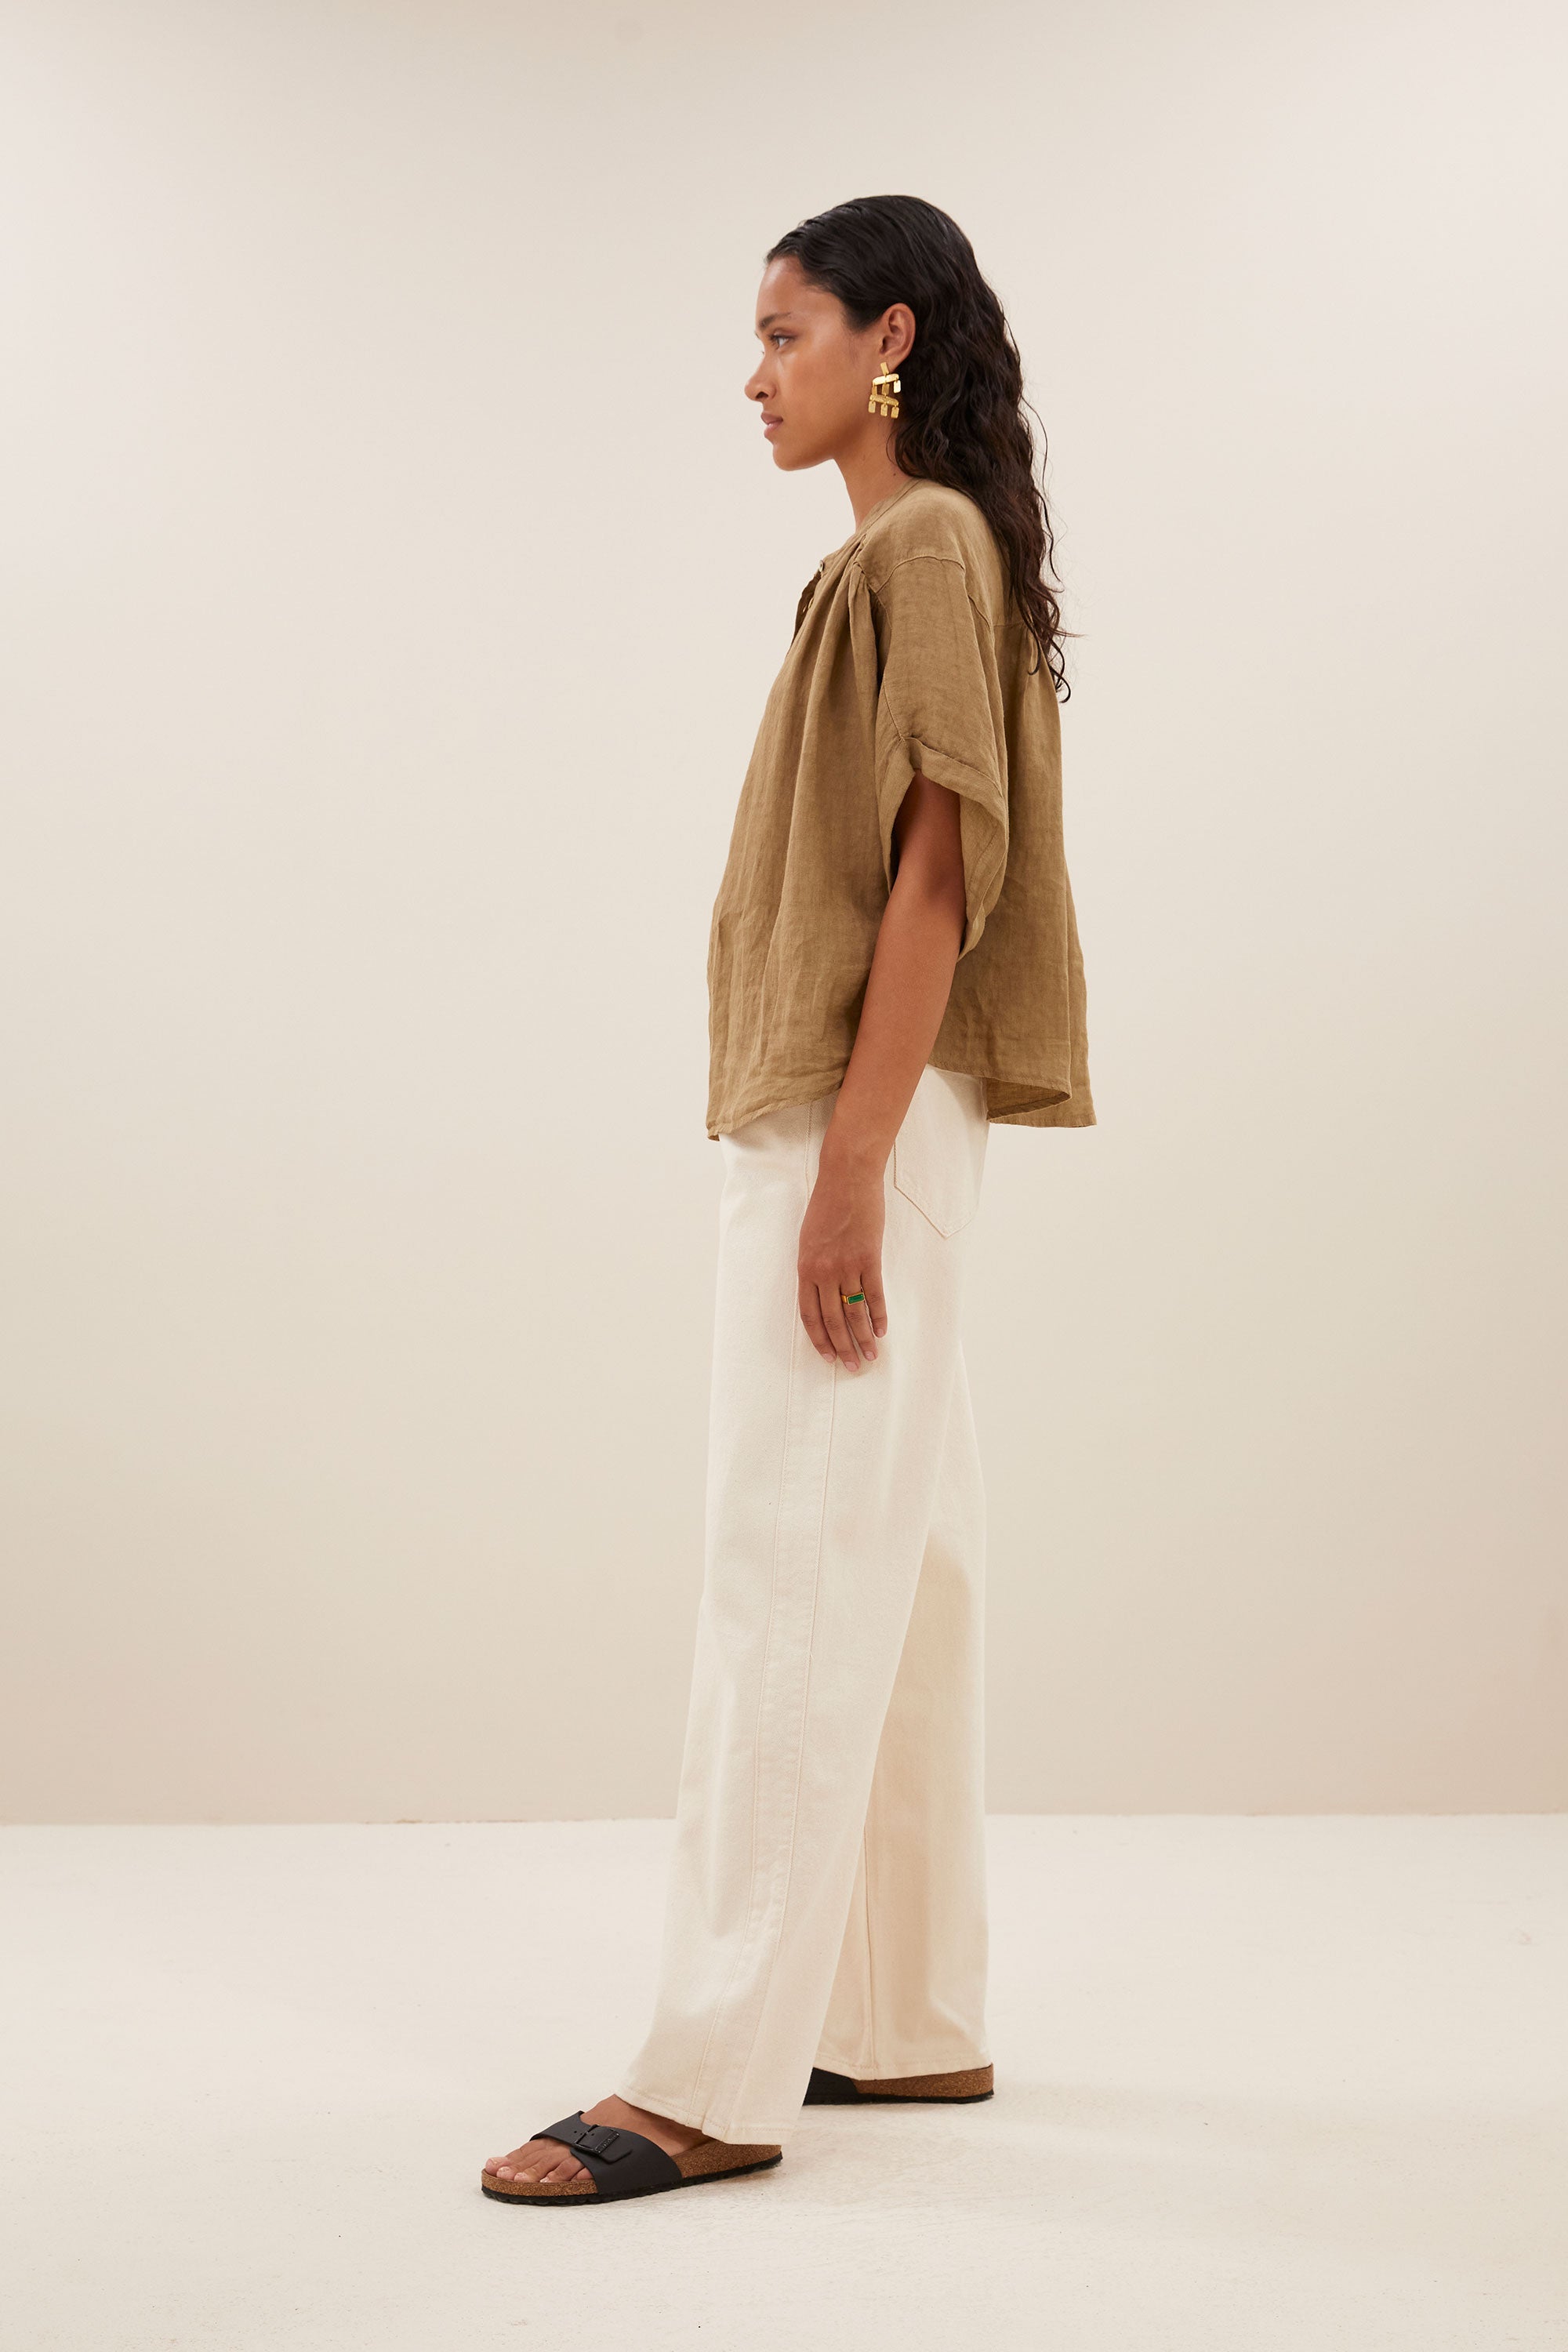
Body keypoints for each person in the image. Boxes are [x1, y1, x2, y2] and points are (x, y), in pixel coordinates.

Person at [481, 193, 1094, 2208]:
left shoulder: (920, 547)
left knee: (790, 1568)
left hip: (860, 1113)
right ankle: (901, 2015)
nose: (754, 377)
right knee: (901, 1562)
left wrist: (845, 1166)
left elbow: (939, 872)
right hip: (880, 1115)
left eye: (783, 333)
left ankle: (709, 2075)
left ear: (886, 338)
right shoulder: (917, 553)